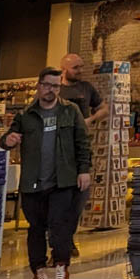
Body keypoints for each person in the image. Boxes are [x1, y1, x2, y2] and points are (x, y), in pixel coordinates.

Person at [2, 68, 91, 279]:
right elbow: (6, 138)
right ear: (39, 85)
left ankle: (61, 265)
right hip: (32, 182)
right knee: (36, 228)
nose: (51, 90)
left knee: (60, 225)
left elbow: (82, 142)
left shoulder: (70, 111)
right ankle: (39, 270)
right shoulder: (26, 114)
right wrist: (7, 140)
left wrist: (84, 170)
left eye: (56, 86)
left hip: (62, 180)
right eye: (47, 85)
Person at [60, 53, 107, 257]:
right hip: (59, 152)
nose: (80, 71)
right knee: (60, 200)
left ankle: (67, 239)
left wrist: (91, 119)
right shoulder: (56, 89)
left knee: (78, 199)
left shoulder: (86, 88)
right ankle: (60, 243)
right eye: (76, 67)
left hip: (82, 149)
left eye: (81, 66)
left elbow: (104, 108)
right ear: (64, 69)